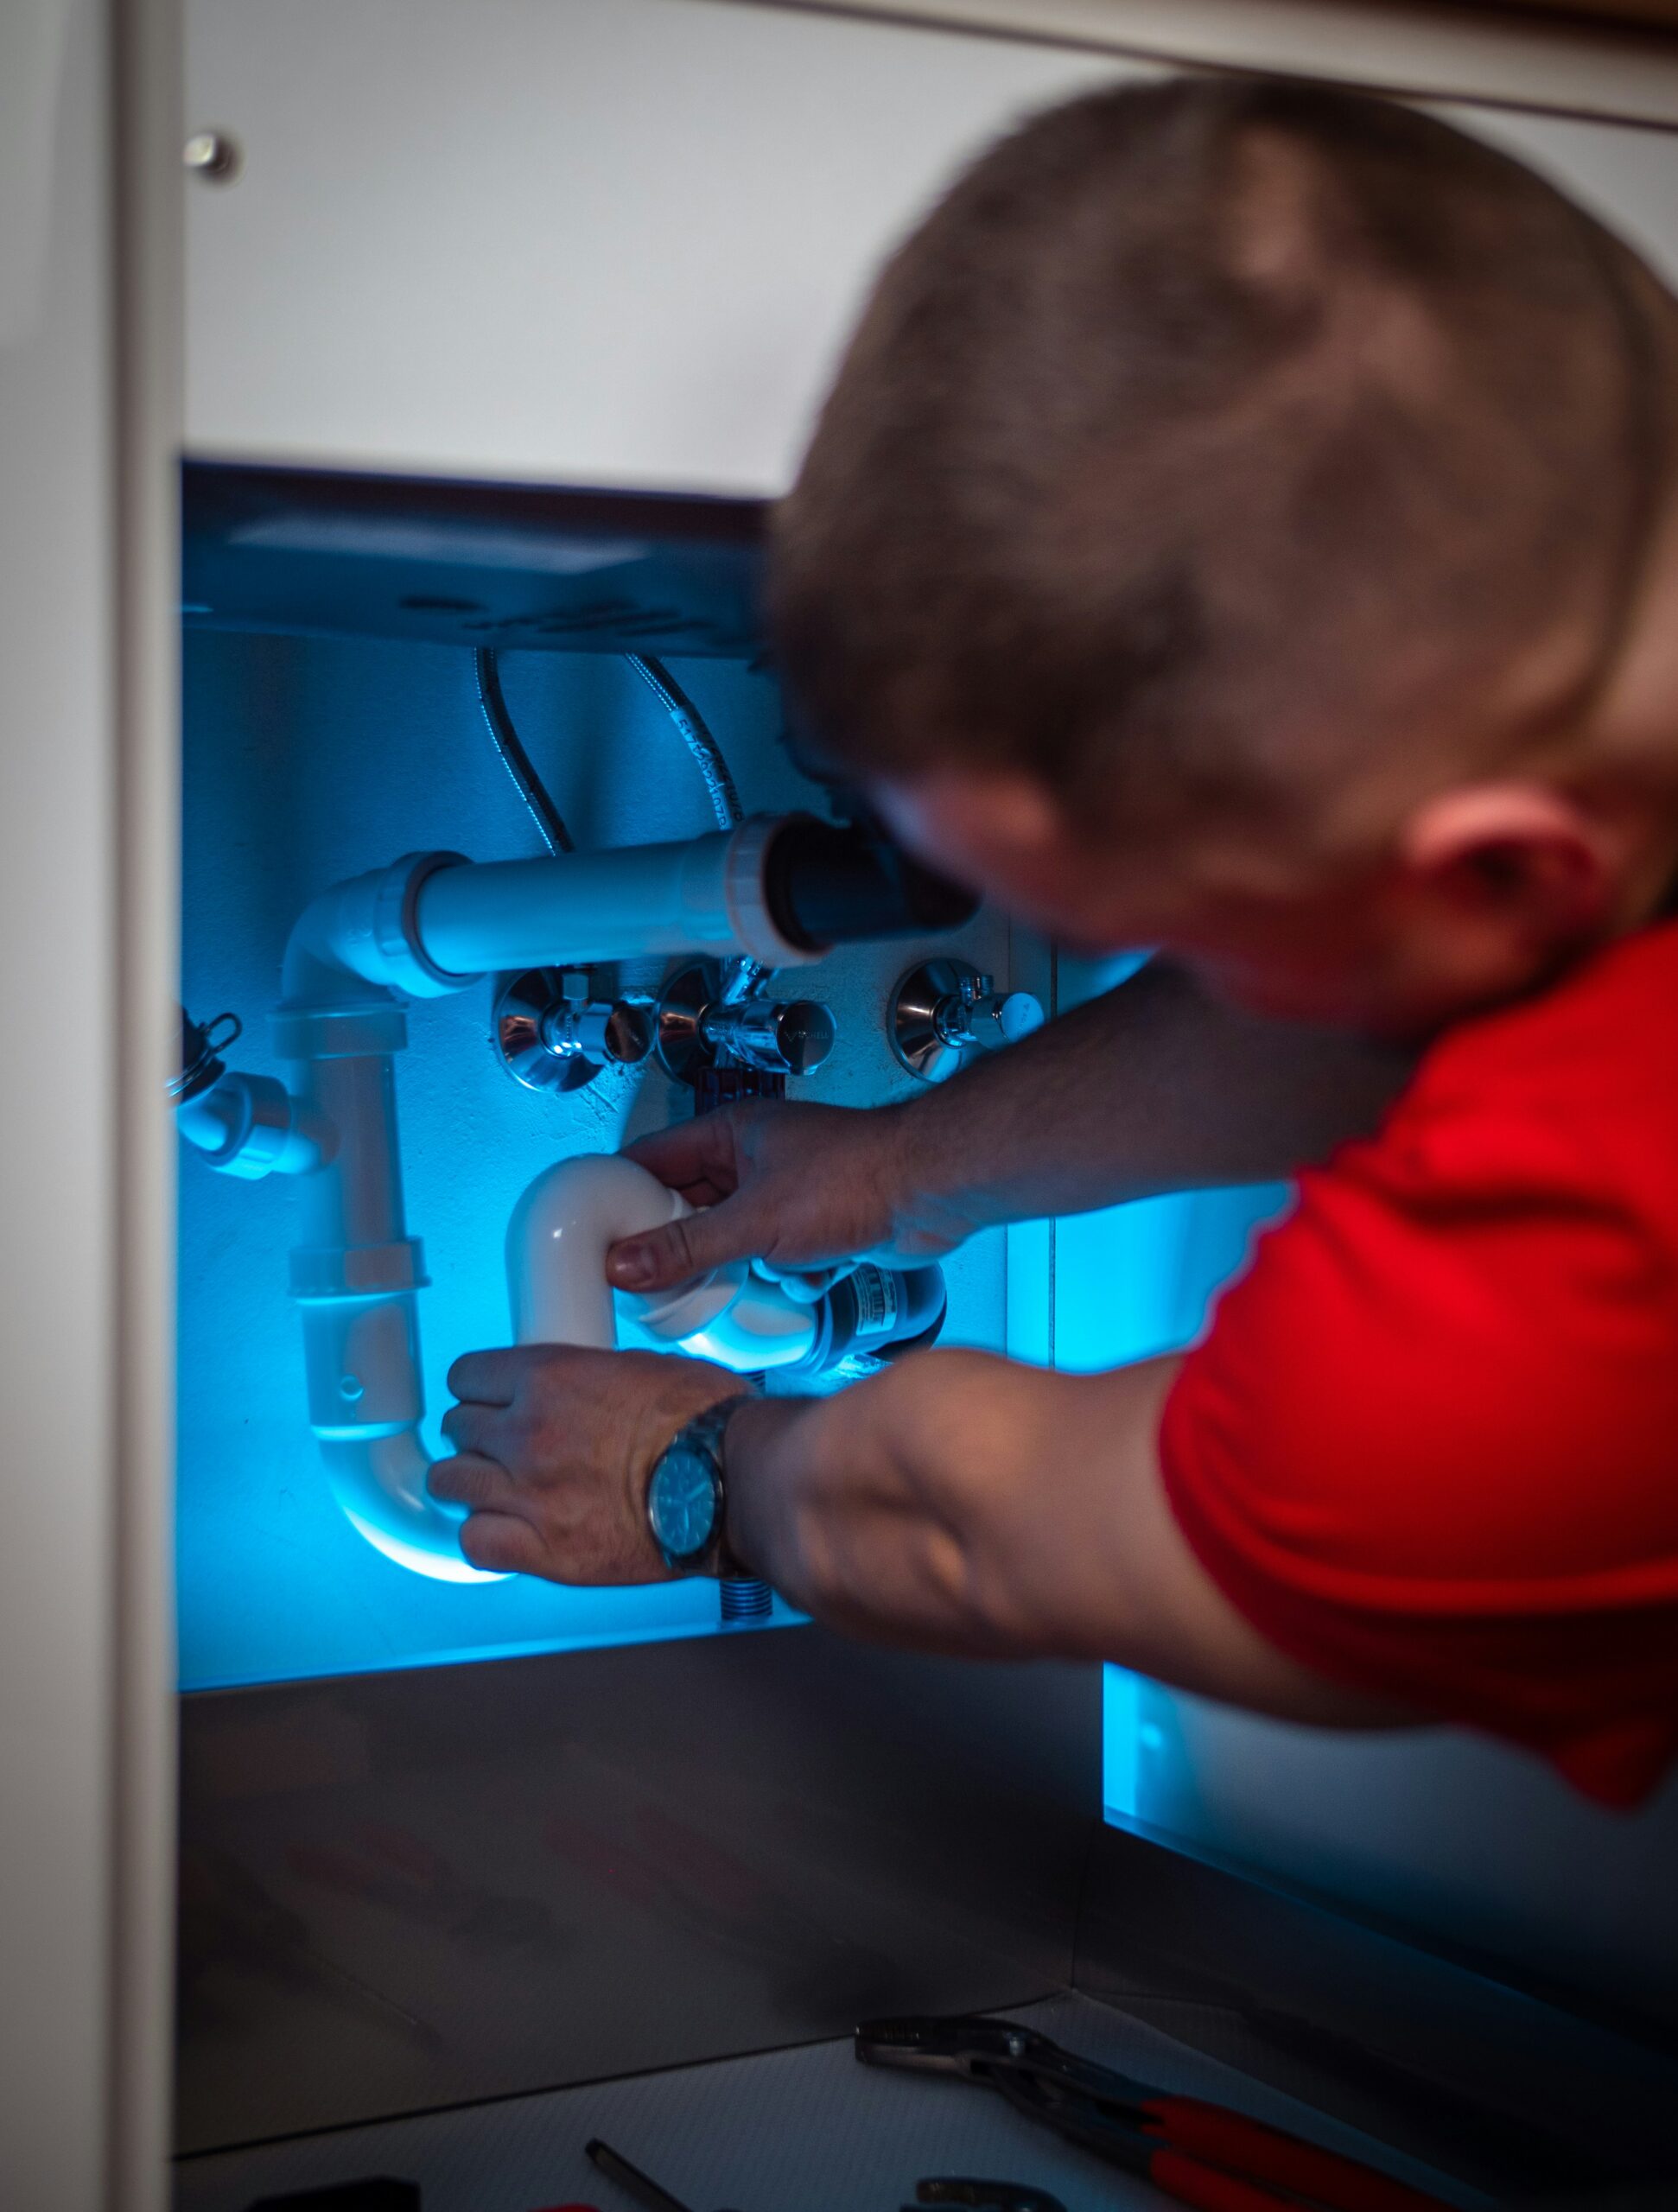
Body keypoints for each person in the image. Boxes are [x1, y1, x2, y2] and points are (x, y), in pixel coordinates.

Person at [433, 78, 1678, 1805]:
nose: (1186, 973)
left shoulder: (1559, 1295)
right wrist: (898, 1165)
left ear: (1492, 875)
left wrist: (688, 1468)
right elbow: (1373, 1000)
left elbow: (987, 1531)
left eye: (1194, 927)